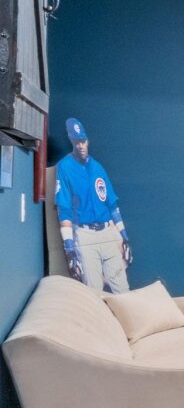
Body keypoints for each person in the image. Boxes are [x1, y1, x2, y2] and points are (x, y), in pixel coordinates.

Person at [55, 118, 132, 293]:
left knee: (123, 290)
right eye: (77, 142)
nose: (81, 146)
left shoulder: (97, 167)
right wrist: (69, 250)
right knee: (94, 293)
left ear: (87, 140)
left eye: (83, 141)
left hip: (107, 232)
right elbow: (64, 211)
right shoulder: (65, 167)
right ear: (71, 141)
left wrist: (125, 237)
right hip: (85, 235)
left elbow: (112, 206)